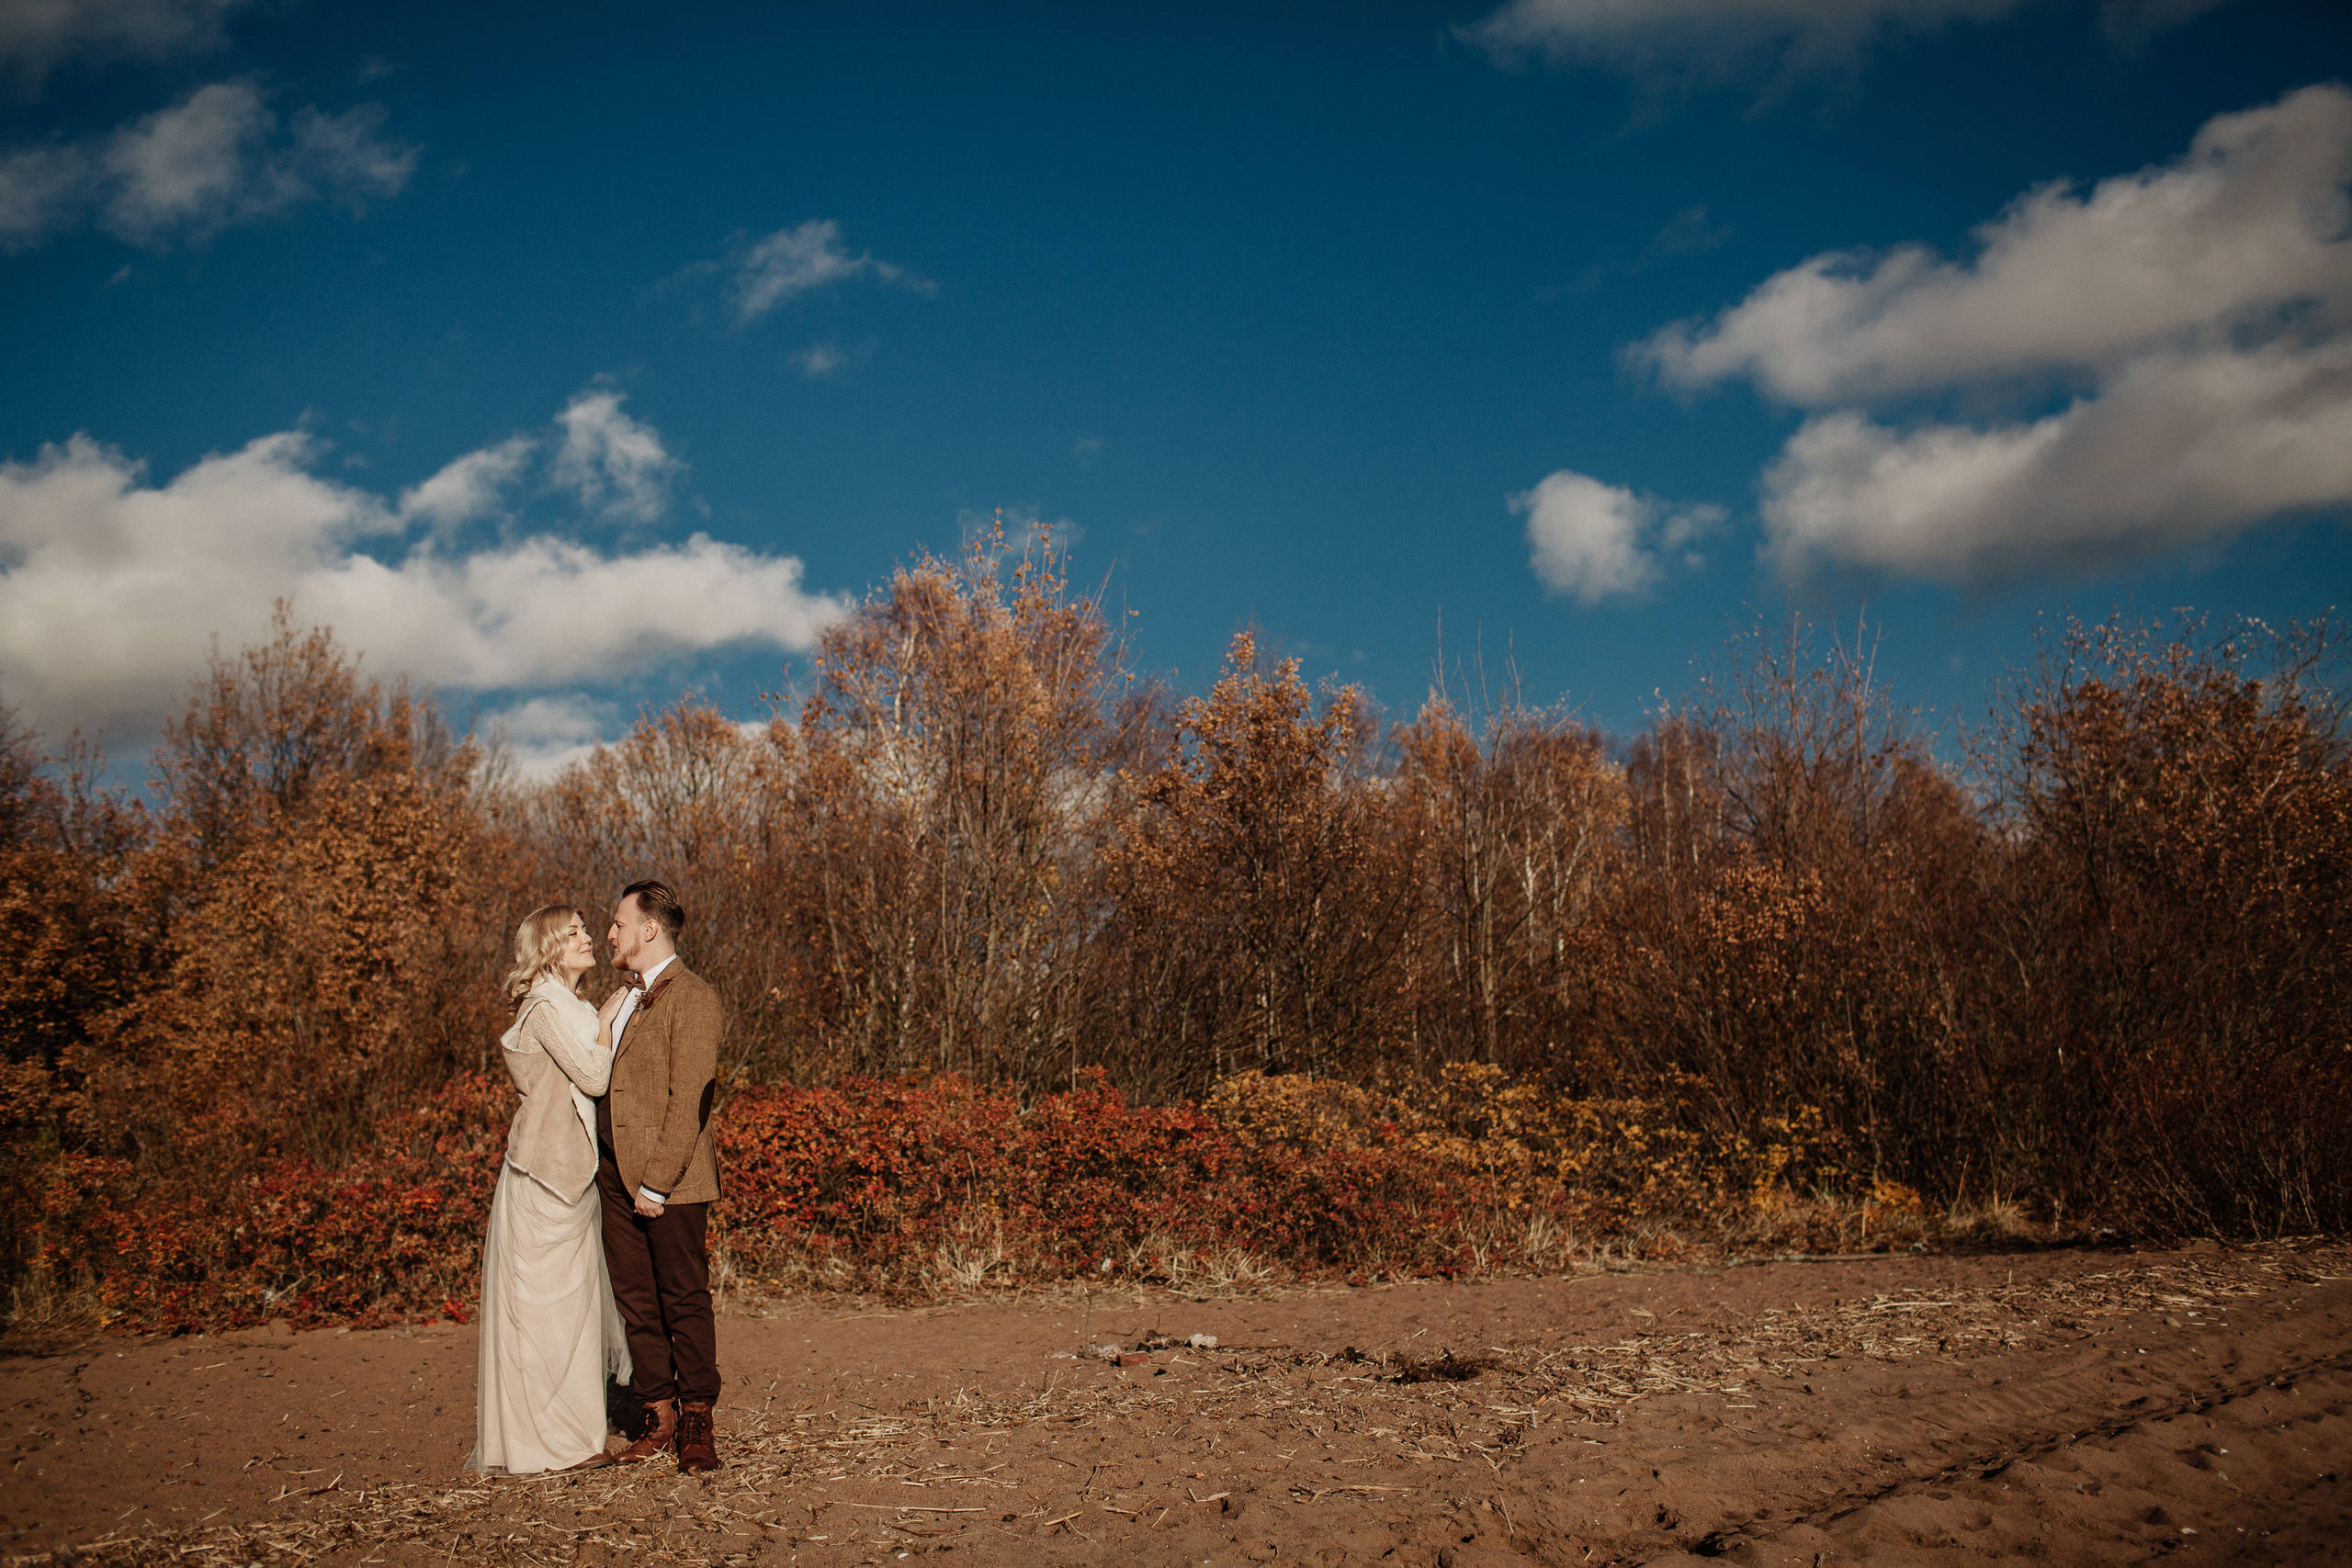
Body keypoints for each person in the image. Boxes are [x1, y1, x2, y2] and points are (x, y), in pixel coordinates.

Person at [468, 906, 635, 1475]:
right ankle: (549, 1448)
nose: (591, 939)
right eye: (576, 933)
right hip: (543, 1182)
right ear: (548, 947)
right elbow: (592, 1077)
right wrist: (608, 1021)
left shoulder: (571, 1003)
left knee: (578, 1316)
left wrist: (599, 1017)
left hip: (570, 1179)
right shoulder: (543, 1005)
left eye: (588, 931)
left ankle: (576, 1438)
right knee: (547, 1318)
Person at [597, 879, 725, 1473]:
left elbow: (689, 1096)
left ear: (650, 928)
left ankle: (697, 1416)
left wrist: (656, 1183)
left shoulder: (694, 996)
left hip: (669, 1181)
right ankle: (658, 1414)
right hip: (613, 1176)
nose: (610, 933)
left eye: (619, 922)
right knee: (635, 1300)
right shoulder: (622, 998)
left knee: (683, 1297)